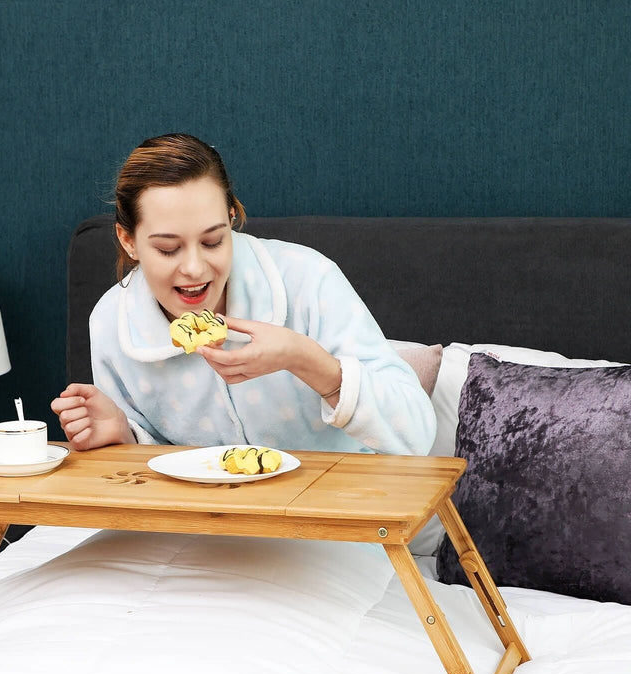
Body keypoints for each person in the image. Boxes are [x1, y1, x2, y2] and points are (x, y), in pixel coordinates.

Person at [51, 133, 436, 456]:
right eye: (168, 249)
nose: (195, 268)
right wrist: (124, 432)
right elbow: (148, 474)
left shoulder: (306, 279)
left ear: (233, 216)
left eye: (214, 240)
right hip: (197, 529)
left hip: (332, 523)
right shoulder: (112, 321)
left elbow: (415, 434)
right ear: (128, 240)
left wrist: (302, 358)